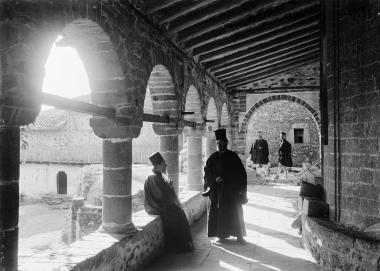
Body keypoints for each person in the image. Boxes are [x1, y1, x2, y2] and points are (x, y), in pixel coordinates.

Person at [204, 128, 247, 244]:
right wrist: (214, 178)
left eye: (221, 142)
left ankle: (239, 236)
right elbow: (207, 170)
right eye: (217, 143)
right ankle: (221, 235)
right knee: (220, 213)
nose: (219, 145)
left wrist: (239, 189)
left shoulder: (233, 157)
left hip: (231, 191)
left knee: (235, 213)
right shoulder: (213, 157)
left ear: (226, 143)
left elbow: (241, 173)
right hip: (218, 191)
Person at [144, 152, 194, 253]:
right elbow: (159, 196)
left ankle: (183, 244)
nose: (166, 166)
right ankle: (178, 246)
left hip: (161, 204)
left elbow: (164, 193)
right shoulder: (154, 177)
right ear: (158, 166)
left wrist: (169, 187)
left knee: (179, 211)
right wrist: (170, 188)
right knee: (177, 213)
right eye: (163, 164)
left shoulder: (158, 175)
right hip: (155, 206)